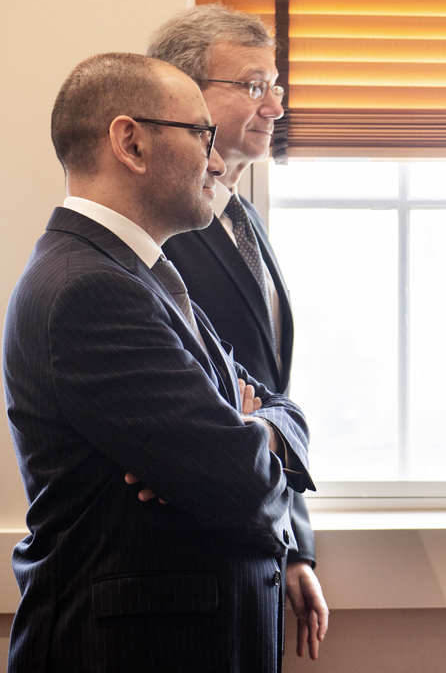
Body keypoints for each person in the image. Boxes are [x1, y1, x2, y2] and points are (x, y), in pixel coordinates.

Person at [3, 52, 314, 672]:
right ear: (131, 143)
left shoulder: (141, 273)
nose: (217, 161)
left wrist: (258, 429)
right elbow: (239, 484)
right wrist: (240, 444)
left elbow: (280, 407)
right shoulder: (90, 289)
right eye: (201, 135)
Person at [149, 4, 329, 659]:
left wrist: (293, 545)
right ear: (184, 91)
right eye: (254, 86)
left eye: (276, 86)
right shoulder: (159, 229)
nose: (275, 106)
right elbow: (196, 418)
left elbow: (270, 397)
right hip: (184, 569)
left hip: (257, 553)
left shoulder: (242, 216)